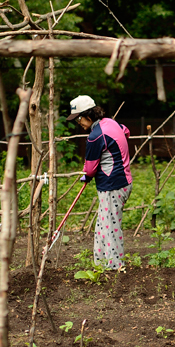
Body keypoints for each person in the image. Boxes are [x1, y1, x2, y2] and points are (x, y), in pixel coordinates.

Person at [67, 95, 133, 271]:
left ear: (88, 115)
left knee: (110, 226)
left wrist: (86, 177)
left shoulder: (95, 136)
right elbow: (125, 131)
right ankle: (101, 263)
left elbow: (89, 169)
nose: (78, 123)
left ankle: (114, 267)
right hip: (122, 181)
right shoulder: (110, 123)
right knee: (103, 223)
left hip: (113, 185)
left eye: (79, 118)